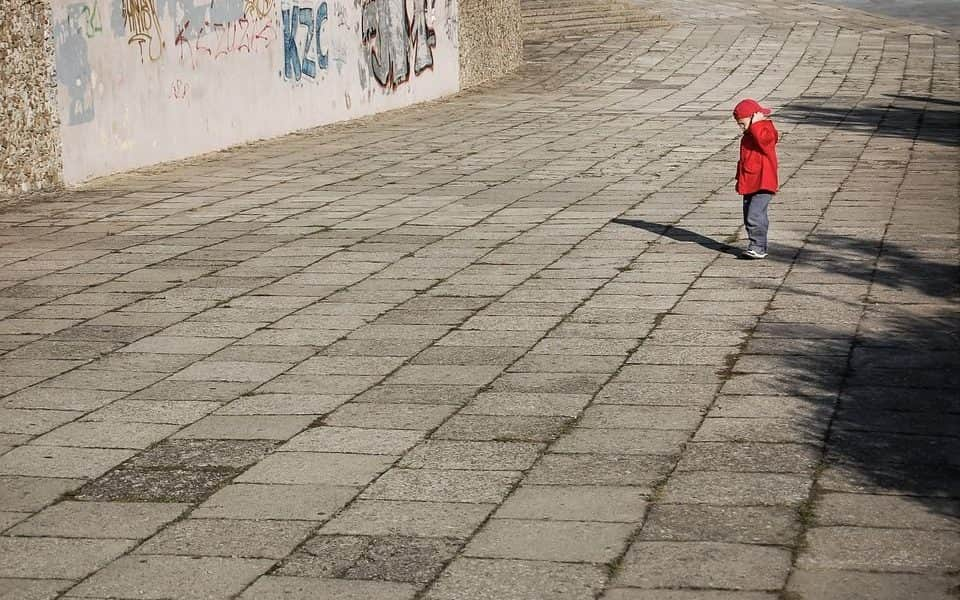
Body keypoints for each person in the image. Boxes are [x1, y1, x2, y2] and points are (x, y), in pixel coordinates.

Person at [733, 98, 779, 259]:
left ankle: (758, 246)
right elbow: (745, 160)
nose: (741, 127)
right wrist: (740, 179)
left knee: (755, 215)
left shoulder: (766, 129)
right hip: (751, 182)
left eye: (742, 123)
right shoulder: (748, 134)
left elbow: (765, 141)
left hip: (763, 183)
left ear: (753, 117)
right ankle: (758, 245)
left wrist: (757, 124)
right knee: (749, 215)